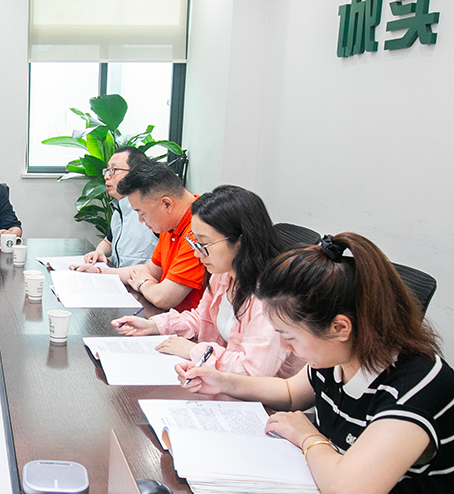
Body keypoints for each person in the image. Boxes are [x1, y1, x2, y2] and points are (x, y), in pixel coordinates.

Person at [178, 234, 454, 494]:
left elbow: (346, 492)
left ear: (340, 327)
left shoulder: (418, 384)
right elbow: (290, 392)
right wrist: (222, 381)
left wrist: (307, 436)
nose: (285, 346)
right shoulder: (339, 355)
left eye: (290, 336)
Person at [109, 185, 300, 383]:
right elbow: (201, 318)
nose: (197, 253)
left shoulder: (271, 295)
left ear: (241, 241)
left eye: (204, 244)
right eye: (195, 243)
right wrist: (154, 325)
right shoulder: (224, 274)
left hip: (264, 397)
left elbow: (253, 370)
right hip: (226, 384)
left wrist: (195, 350)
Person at [74, 161, 204, 312]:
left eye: (142, 213)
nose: (140, 220)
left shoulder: (199, 231)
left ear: (167, 204)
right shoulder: (171, 224)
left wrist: (142, 283)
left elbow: (164, 298)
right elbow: (151, 270)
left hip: (190, 324)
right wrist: (99, 272)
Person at [81, 145, 158, 269]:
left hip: (142, 279)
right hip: (117, 276)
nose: (106, 176)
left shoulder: (153, 211)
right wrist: (99, 252)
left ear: (136, 173)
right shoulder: (119, 208)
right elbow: (108, 241)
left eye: (113, 170)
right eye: (107, 170)